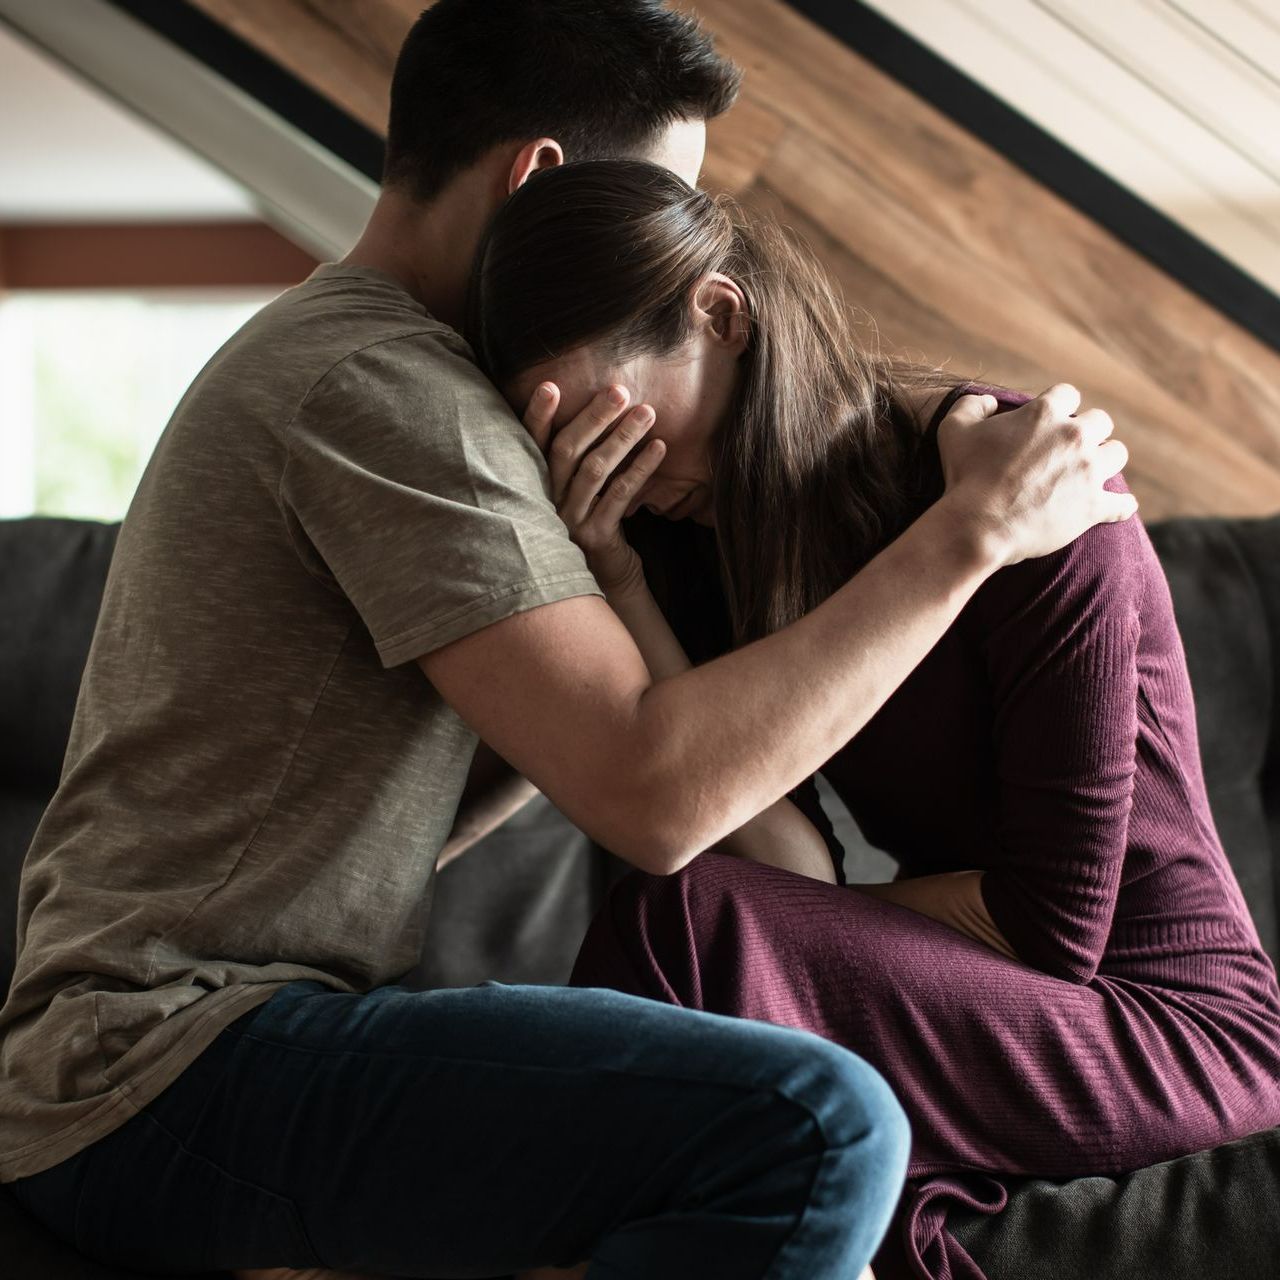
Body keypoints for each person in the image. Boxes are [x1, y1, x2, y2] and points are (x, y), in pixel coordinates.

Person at [0, 5, 1132, 1279]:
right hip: (172, 1060)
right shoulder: (386, 390)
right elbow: (655, 798)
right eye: (661, 197)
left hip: (176, 1055)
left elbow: (554, 771)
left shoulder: (375, 370)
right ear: (541, 178)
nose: (672, 246)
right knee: (814, 1123)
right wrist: (970, 530)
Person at [465, 157, 1280, 1279]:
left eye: (618, 415)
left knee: (688, 922)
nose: (627, 471)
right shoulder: (699, 529)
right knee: (695, 914)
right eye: (569, 441)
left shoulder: (1038, 495)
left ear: (720, 315)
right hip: (981, 981)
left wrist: (817, 923)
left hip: (1161, 1021)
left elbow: (1048, 928)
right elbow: (769, 849)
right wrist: (621, 579)